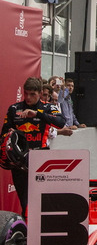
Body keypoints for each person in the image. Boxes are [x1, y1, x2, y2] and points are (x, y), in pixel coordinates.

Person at [2, 77, 67, 213]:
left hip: (41, 157)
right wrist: (10, 133)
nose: (28, 97)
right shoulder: (15, 109)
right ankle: (27, 228)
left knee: (42, 199)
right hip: (20, 160)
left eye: (32, 94)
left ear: (39, 93)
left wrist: (37, 114)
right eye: (26, 93)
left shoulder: (48, 107)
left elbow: (61, 122)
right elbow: (3, 133)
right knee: (25, 201)